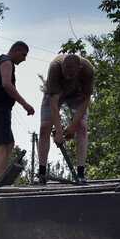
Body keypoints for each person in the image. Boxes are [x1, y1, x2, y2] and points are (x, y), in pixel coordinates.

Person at [0, 41, 35, 185]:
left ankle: (0, 180)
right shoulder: (6, 62)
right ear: (16, 50)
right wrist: (25, 104)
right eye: (23, 55)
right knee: (3, 144)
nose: (24, 59)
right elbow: (6, 84)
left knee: (9, 143)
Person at [36, 54, 94, 184]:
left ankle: (81, 174)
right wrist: (59, 132)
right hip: (56, 94)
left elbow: (86, 99)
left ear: (79, 69)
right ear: (62, 67)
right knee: (44, 127)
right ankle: (41, 174)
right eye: (65, 74)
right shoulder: (55, 67)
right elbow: (53, 102)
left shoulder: (87, 69)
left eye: (71, 75)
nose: (67, 77)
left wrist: (73, 126)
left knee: (82, 126)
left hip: (77, 95)